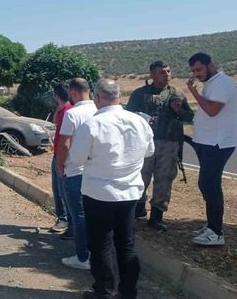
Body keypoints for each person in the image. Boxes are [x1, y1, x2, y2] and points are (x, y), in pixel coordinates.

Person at [70, 79, 154, 299]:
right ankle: (128, 293)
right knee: (126, 244)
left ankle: (104, 291)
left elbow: (76, 158)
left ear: (97, 97)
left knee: (101, 245)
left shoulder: (92, 124)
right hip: (129, 193)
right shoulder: (139, 121)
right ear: (119, 96)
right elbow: (149, 151)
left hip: (99, 193)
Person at [126, 61, 194, 231]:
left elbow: (189, 117)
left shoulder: (177, 94)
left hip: (169, 144)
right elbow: (127, 117)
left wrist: (179, 110)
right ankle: (137, 209)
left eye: (169, 71)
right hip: (144, 143)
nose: (167, 75)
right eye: (162, 72)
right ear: (152, 75)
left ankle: (157, 216)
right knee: (140, 177)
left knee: (164, 180)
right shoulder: (139, 94)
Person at [186, 53, 237, 246]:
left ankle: (216, 233)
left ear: (210, 65)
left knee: (210, 185)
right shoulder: (213, 82)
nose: (196, 74)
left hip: (218, 143)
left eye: (199, 69)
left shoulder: (221, 83)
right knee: (206, 184)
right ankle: (212, 226)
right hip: (209, 142)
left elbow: (212, 110)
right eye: (193, 71)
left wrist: (194, 92)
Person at [56, 78, 98, 270]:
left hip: (75, 171)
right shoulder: (99, 111)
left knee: (79, 215)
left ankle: (83, 257)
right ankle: (97, 252)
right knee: (93, 215)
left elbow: (64, 144)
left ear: (72, 93)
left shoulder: (72, 114)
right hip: (95, 172)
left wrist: (60, 166)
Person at [50, 83, 72, 234]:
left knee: (60, 189)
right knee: (60, 188)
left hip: (60, 154)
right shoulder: (67, 109)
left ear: (56, 96)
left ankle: (64, 219)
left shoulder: (66, 111)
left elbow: (57, 125)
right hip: (60, 153)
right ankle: (65, 219)